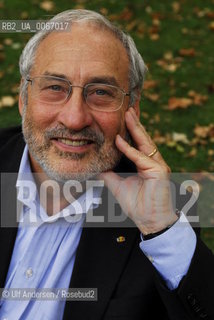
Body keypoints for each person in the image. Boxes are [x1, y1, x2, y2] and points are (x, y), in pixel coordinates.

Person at [0, 9, 213, 320]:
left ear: (132, 109)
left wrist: (160, 230)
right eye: (55, 87)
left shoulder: (166, 211)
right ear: (23, 98)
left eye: (101, 92)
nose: (74, 119)